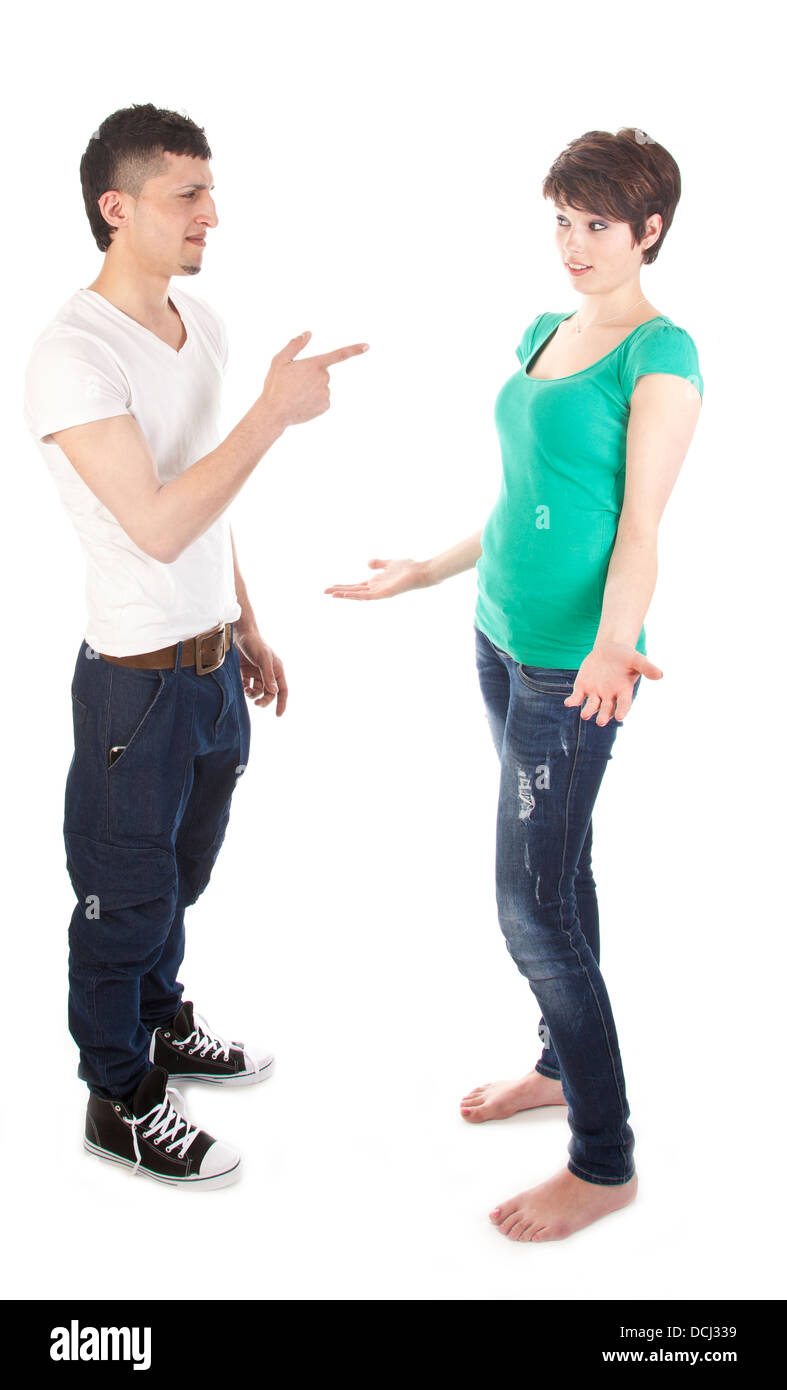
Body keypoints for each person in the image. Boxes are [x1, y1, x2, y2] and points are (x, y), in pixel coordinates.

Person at [325, 127, 703, 1241]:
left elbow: (638, 529)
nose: (575, 245)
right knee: (558, 867)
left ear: (650, 231)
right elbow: (522, 497)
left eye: (599, 226)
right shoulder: (545, 329)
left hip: (570, 671)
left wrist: (612, 641)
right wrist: (426, 573)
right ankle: (555, 1061)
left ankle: (602, 1157)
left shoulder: (660, 354)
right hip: (497, 637)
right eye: (563, 221)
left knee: (526, 905)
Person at [23, 103, 368, 1190]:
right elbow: (156, 520)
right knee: (122, 899)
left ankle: (164, 1023)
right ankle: (117, 1094)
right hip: (135, 688)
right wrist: (271, 414)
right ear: (114, 208)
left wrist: (245, 620)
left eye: (210, 192)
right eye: (187, 195)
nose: (211, 214)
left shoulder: (201, 325)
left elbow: (204, 506)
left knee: (177, 878)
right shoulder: (70, 354)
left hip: (211, 668)